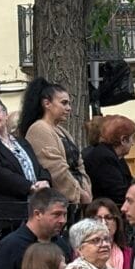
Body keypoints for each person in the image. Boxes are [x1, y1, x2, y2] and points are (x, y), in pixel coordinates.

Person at [0, 97, 52, 247]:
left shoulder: (21, 142)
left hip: (34, 210)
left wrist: (45, 180)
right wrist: (30, 187)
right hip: (6, 216)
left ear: (5, 114)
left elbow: (38, 166)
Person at [19, 78, 92, 206]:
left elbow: (79, 163)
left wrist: (86, 189)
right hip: (59, 202)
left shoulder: (61, 130)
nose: (69, 108)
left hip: (77, 200)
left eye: (69, 103)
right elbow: (56, 169)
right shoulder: (39, 129)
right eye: (64, 103)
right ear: (47, 103)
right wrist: (79, 194)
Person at [82, 115, 135, 207]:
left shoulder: (116, 157)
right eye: (132, 138)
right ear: (123, 140)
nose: (133, 144)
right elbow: (118, 193)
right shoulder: (103, 157)